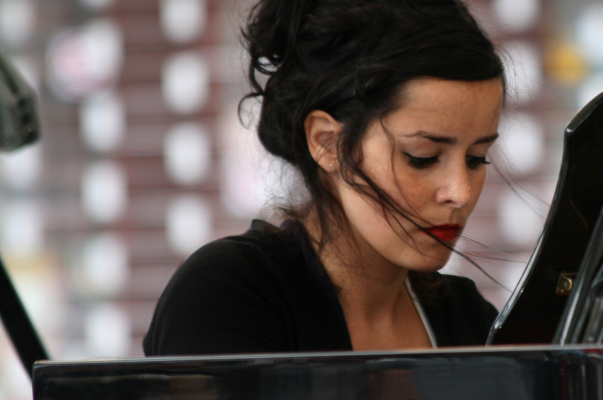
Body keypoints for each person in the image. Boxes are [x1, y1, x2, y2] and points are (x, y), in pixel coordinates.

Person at [143, 0, 505, 356]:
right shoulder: (227, 295)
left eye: (477, 159)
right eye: (421, 158)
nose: (460, 192)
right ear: (327, 143)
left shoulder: (467, 319)